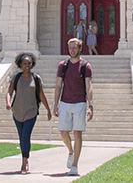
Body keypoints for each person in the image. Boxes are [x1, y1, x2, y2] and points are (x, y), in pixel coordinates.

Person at [6, 52, 51, 174]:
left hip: (31, 112)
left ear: (32, 64)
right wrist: (8, 103)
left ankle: (24, 162)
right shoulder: (16, 78)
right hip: (17, 111)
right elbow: (9, 92)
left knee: (26, 136)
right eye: (24, 63)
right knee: (22, 138)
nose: (27, 65)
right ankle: (25, 157)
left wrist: (48, 109)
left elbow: (41, 95)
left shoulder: (36, 79)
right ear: (20, 64)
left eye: (29, 63)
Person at [54, 37, 93, 177]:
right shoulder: (62, 65)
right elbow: (58, 85)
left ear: (80, 48)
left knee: (77, 133)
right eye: (70, 47)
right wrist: (55, 104)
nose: (72, 50)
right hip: (65, 102)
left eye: (75, 47)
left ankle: (75, 165)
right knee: (63, 131)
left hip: (80, 103)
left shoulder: (85, 66)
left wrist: (91, 105)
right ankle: (71, 151)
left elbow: (89, 86)